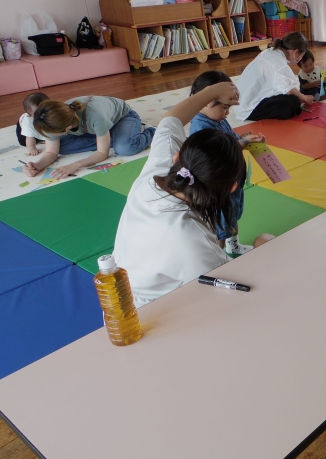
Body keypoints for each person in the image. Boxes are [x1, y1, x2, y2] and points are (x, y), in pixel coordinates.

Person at [114, 80, 273, 308]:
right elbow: (241, 290)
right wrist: (264, 249)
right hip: (150, 313)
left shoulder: (157, 171)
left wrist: (213, 91)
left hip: (119, 294)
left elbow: (171, 119)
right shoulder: (193, 238)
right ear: (232, 188)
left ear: (177, 157)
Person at [189, 70, 266, 256]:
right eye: (225, 107)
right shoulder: (201, 127)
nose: (227, 112)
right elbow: (220, 153)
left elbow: (230, 139)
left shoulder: (217, 119)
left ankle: (233, 246)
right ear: (207, 101)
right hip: (219, 188)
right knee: (221, 225)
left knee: (232, 217)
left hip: (233, 182)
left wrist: (243, 138)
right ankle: (219, 257)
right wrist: (243, 142)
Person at [26, 96, 155, 179]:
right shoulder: (48, 119)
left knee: (125, 148)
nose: (48, 135)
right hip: (94, 127)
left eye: (51, 133)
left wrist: (75, 165)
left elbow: (102, 153)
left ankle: (151, 131)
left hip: (123, 117)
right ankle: (108, 137)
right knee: (61, 148)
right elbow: (52, 152)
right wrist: (37, 165)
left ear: (67, 128)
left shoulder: (95, 116)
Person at [233, 32, 314, 121]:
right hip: (248, 109)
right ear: (296, 52)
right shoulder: (279, 63)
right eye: (302, 55)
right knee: (293, 102)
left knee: (285, 94)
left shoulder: (270, 51)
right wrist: (304, 98)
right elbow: (290, 90)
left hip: (241, 102)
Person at [17, 92, 49, 156]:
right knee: (23, 142)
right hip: (23, 125)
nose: (43, 115)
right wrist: (32, 148)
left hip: (40, 125)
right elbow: (29, 137)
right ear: (30, 115)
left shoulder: (52, 113)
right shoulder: (27, 122)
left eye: (46, 111)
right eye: (38, 114)